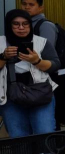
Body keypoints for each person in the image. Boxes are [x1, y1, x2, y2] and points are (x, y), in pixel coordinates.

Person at [0, 9, 60, 137]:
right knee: (18, 136)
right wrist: (3, 57)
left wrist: (37, 61)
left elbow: (55, 65)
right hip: (10, 96)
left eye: (25, 24)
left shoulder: (41, 42)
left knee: (44, 133)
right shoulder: (0, 42)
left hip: (40, 93)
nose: (21, 28)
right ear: (9, 25)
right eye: (16, 24)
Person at [20, 0, 65, 130]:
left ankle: (51, 148)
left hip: (50, 73)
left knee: (50, 119)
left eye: (31, 5)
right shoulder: (23, 25)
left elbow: (47, 52)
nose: (27, 7)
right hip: (32, 76)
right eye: (24, 4)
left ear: (40, 8)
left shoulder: (45, 25)